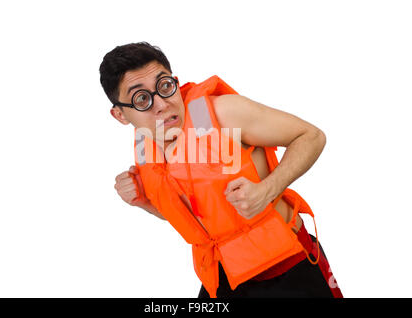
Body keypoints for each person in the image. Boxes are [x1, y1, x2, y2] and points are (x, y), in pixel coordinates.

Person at [99, 42, 343, 298]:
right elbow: (193, 214)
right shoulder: (144, 145)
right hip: (223, 277)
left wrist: (267, 190)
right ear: (120, 115)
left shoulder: (224, 113)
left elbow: (311, 136)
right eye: (141, 99)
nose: (161, 104)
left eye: (165, 86)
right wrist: (143, 202)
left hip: (288, 268)